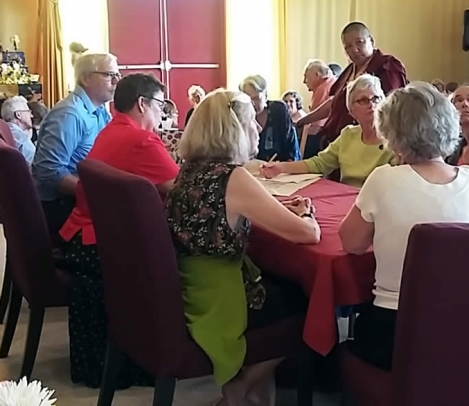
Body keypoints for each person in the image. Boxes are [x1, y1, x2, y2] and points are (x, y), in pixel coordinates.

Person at [166, 89, 320, 406]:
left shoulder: (190, 170)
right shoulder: (232, 177)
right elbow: (308, 234)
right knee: (310, 303)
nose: (259, 129)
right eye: (252, 122)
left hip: (191, 289)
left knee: (283, 286)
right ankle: (241, 390)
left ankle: (258, 395)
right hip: (222, 298)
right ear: (234, 129)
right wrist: (304, 213)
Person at [339, 83, 469, 371]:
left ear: (392, 134)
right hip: (462, 326)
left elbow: (352, 243)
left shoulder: (384, 179)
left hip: (395, 330)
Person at [58, 73, 177, 388]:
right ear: (142, 104)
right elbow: (183, 190)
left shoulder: (110, 132)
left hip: (84, 237)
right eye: (160, 106)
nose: (162, 115)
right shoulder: (141, 139)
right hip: (105, 244)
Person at [33, 53, 116, 235]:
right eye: (109, 75)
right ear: (86, 78)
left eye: (117, 75)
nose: (116, 81)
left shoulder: (101, 111)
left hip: (79, 200)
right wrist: (96, 194)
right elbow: (49, 171)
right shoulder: (69, 114)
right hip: (60, 207)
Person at [261, 75, 395, 188]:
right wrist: (281, 167)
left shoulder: (395, 139)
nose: (372, 105)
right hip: (346, 201)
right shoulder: (348, 135)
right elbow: (319, 163)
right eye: (364, 100)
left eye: (376, 98)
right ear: (351, 110)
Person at [297, 22, 407, 146]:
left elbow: (393, 107)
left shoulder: (387, 66)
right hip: (341, 140)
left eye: (359, 42)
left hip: (372, 142)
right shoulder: (349, 72)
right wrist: (304, 120)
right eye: (348, 46)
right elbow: (335, 103)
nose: (354, 50)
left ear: (371, 41)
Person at [239, 75, 300, 162]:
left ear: (265, 96)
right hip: (252, 170)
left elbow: (291, 147)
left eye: (257, 99)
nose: (252, 104)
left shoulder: (278, 110)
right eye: (248, 99)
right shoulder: (240, 115)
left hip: (281, 168)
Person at [301, 60, 337, 157]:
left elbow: (315, 125)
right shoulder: (333, 83)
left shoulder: (323, 88)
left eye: (306, 77)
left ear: (317, 75)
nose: (304, 81)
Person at [1, 95, 35, 165]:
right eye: (28, 112)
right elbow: (37, 168)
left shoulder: (4, 131)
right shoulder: (22, 140)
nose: (31, 116)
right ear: (18, 115)